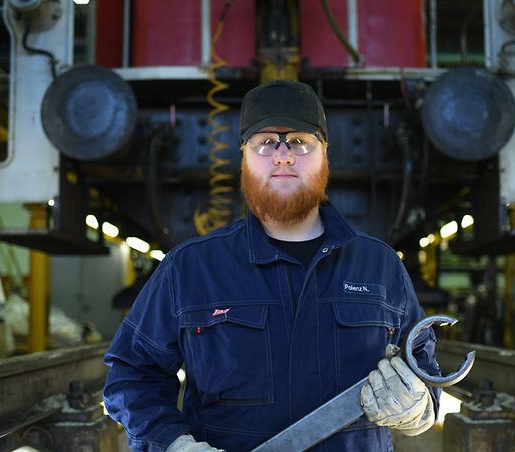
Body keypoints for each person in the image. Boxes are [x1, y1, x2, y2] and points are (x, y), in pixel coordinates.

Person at [103, 80, 442, 451]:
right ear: (244, 157)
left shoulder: (380, 266)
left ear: (324, 154)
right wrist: (173, 443)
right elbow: (131, 375)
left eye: (300, 141)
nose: (283, 156)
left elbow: (424, 367)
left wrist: (419, 406)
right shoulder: (190, 268)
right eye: (265, 142)